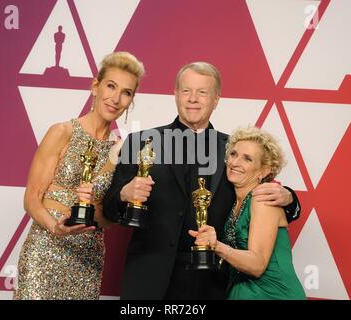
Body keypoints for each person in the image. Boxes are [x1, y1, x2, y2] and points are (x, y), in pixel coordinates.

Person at [103, 62, 300, 299]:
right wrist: (124, 194)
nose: (193, 99)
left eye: (202, 92)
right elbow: (108, 210)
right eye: (186, 91)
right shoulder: (139, 142)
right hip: (148, 278)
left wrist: (289, 198)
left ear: (216, 99)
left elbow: (260, 199)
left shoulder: (234, 150)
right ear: (175, 94)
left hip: (213, 281)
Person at [13, 51, 145, 300]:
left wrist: (114, 202)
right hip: (45, 250)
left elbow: (107, 219)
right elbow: (31, 198)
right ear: (95, 87)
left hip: (87, 258)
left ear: (131, 101)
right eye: (111, 86)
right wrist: (56, 227)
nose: (116, 98)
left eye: (126, 93)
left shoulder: (121, 150)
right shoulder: (62, 131)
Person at [189, 126, 306, 299]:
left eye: (247, 159)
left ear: (264, 171)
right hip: (241, 291)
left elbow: (257, 265)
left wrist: (216, 246)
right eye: (233, 154)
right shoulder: (235, 200)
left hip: (273, 294)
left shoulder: (263, 200)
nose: (235, 162)